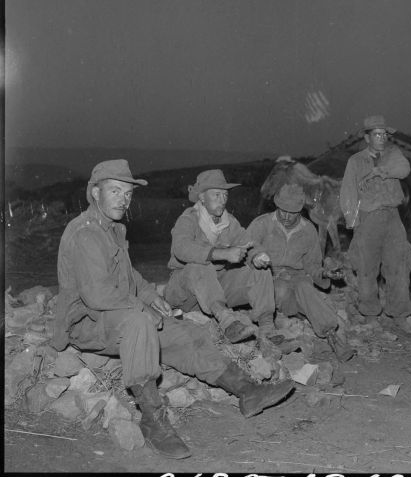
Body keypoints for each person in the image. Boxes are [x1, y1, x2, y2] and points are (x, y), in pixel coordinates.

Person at [53, 160, 294, 460]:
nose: (123, 199)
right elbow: (98, 295)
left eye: (127, 193)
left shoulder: (113, 228)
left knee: (186, 332)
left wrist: (151, 295)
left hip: (114, 314)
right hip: (86, 322)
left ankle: (246, 390)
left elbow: (130, 278)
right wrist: (142, 306)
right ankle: (153, 421)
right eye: (114, 191)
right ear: (94, 193)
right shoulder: (86, 233)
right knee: (140, 323)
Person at [164, 169, 279, 344]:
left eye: (225, 195)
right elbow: (181, 248)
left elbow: (248, 242)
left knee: (260, 270)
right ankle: (228, 323)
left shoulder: (229, 222)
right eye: (216, 195)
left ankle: (268, 328)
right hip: (185, 292)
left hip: (215, 288)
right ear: (202, 197)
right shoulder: (188, 219)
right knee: (200, 264)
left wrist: (257, 256)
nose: (222, 200)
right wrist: (221, 253)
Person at [247, 183, 356, 362]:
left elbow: (312, 265)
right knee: (281, 289)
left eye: (293, 212)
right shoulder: (262, 224)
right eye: (283, 210)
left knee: (305, 286)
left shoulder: (308, 230)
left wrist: (325, 274)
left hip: (295, 278)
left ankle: (332, 336)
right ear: (276, 205)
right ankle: (283, 322)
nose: (287, 216)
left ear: (300, 210)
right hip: (267, 277)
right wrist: (256, 257)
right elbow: (246, 250)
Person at [340, 115, 411, 334]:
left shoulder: (394, 155)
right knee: (366, 268)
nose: (382, 138)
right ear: (367, 137)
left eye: (384, 134)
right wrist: (353, 221)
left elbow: (404, 169)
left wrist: (381, 171)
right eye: (376, 134)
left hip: (393, 217)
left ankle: (401, 314)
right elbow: (348, 192)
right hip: (368, 219)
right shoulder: (355, 161)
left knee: (399, 265)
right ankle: (370, 314)